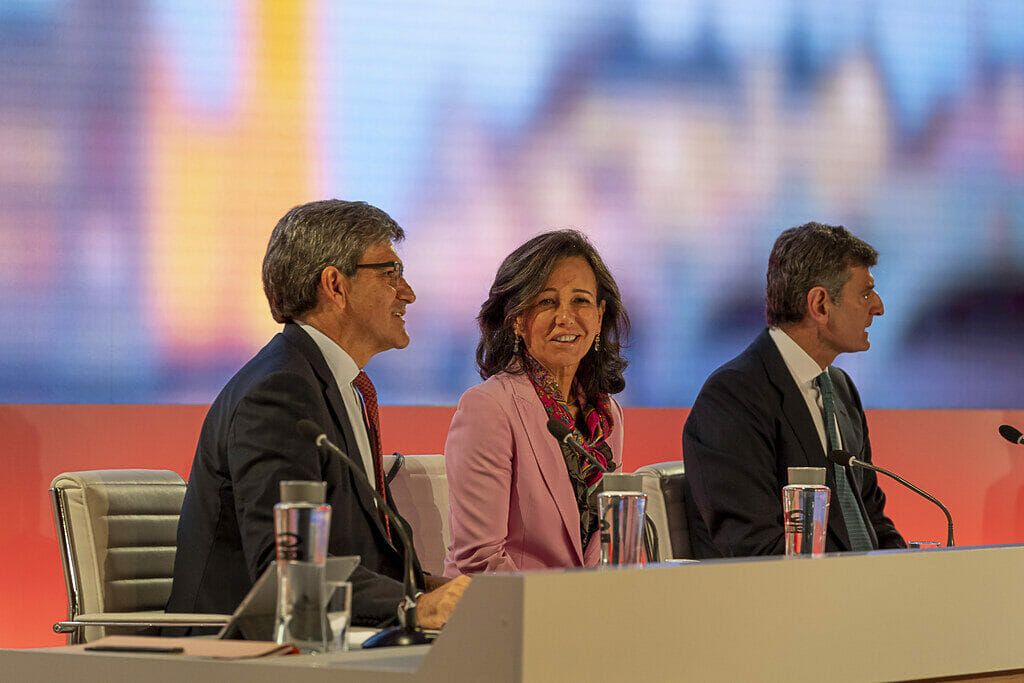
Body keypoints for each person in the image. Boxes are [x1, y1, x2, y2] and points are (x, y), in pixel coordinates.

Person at [167, 200, 469, 627]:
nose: (408, 293)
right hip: (247, 656)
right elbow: (287, 568)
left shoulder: (334, 385)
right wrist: (414, 608)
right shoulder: (278, 393)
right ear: (335, 285)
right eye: (390, 274)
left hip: (330, 639)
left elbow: (355, 559)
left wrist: (436, 592)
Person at [683, 222, 906, 557]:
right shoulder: (733, 398)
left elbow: (872, 517)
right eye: (864, 293)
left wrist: (905, 573)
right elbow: (755, 549)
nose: (878, 306)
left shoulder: (841, 388)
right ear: (819, 305)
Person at [443, 229, 630, 575]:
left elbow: (603, 551)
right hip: (505, 613)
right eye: (547, 301)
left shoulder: (606, 417)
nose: (565, 317)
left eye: (580, 301)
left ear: (600, 315)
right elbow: (481, 561)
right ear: (516, 318)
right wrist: (558, 616)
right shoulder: (489, 408)